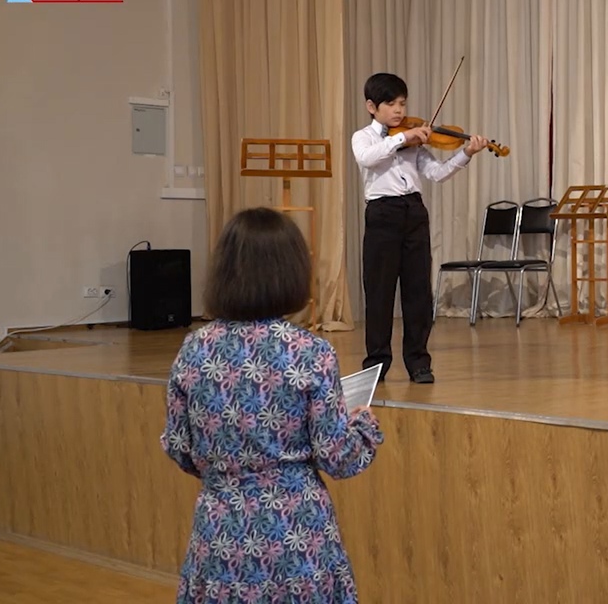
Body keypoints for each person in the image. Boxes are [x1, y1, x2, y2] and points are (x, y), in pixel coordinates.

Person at [160, 207, 384, 603]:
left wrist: (230, 473)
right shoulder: (310, 352)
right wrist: (365, 426)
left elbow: (179, 447)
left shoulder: (194, 349)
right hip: (297, 537)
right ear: (291, 271)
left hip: (220, 534)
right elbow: (339, 457)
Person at [352, 72, 488, 384]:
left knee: (418, 292)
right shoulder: (364, 137)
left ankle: (418, 362)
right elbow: (367, 158)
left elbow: (438, 173)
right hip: (382, 214)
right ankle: (376, 365)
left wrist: (465, 153)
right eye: (391, 104)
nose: (399, 110)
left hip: (413, 212)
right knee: (379, 291)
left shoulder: (415, 143)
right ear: (372, 107)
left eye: (402, 103)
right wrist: (402, 138)